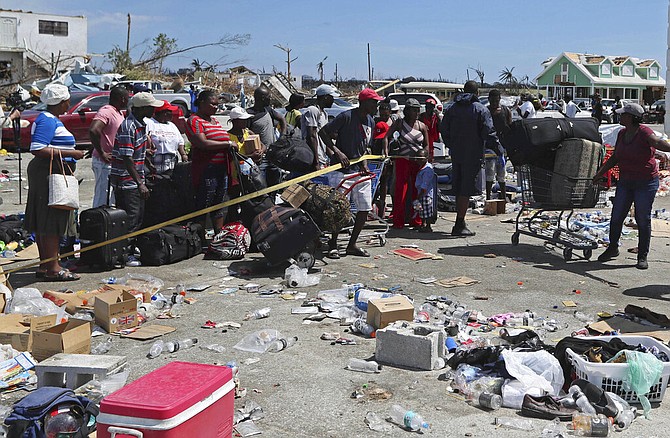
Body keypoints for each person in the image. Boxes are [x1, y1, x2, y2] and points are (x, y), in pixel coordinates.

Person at [592, 103, 670, 269]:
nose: (620, 116)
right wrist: (599, 173)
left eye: (623, 114)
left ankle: (642, 256)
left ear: (632, 118)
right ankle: (612, 248)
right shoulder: (622, 133)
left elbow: (657, 142)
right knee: (617, 216)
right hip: (626, 181)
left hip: (645, 182)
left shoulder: (644, 132)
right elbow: (615, 158)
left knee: (642, 218)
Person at [24, 84, 85, 281]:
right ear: (60, 102)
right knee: (51, 219)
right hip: (48, 174)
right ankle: (53, 267)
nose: (69, 103)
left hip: (49, 171)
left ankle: (46, 264)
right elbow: (37, 148)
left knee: (45, 219)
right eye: (67, 100)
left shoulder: (51, 119)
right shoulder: (48, 121)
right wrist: (72, 153)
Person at [319, 88, 383, 258]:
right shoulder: (346, 116)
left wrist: (364, 164)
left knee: (364, 208)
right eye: (374, 102)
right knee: (338, 210)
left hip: (359, 173)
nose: (376, 105)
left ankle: (352, 244)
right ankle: (333, 243)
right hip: (341, 172)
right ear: (364, 102)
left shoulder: (370, 120)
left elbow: (364, 147)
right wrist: (337, 152)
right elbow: (323, 132)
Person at [440, 80, 502, 236]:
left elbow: (443, 129)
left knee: (459, 187)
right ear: (477, 93)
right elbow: (489, 132)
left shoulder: (452, 109)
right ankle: (459, 224)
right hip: (473, 155)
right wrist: (499, 150)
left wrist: (452, 145)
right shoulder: (480, 109)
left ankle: (460, 222)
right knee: (466, 190)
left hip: (457, 154)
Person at [111, 92, 163, 267]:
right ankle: (125, 254)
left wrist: (148, 163)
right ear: (142, 108)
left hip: (137, 178)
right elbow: (127, 158)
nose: (154, 109)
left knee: (139, 217)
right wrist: (140, 184)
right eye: (151, 107)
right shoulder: (128, 126)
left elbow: (136, 151)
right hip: (127, 182)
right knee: (131, 219)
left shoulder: (141, 125)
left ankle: (132, 249)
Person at [186, 90, 238, 232]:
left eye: (217, 105)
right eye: (212, 104)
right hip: (206, 169)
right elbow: (202, 143)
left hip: (221, 168)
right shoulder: (194, 121)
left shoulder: (214, 121)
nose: (216, 107)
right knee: (204, 204)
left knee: (219, 204)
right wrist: (227, 144)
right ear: (202, 103)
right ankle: (200, 239)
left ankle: (218, 236)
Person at [384, 98, 429, 229]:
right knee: (400, 191)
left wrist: (424, 155)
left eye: (417, 110)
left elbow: (426, 145)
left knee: (417, 192)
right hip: (402, 160)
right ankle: (398, 220)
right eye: (413, 110)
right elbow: (387, 137)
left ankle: (416, 219)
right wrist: (386, 152)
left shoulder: (421, 126)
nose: (416, 113)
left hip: (417, 162)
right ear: (407, 111)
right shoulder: (399, 123)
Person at [89, 86, 128, 207]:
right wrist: (102, 152)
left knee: (111, 198)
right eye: (127, 98)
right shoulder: (106, 111)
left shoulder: (118, 112)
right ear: (121, 99)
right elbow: (94, 130)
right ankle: (98, 223)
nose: (128, 101)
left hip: (114, 161)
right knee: (103, 196)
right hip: (104, 162)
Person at [248, 85, 286, 188]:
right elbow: (246, 133)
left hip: (273, 156)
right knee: (260, 186)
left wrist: (282, 136)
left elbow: (282, 119)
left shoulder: (268, 110)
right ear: (263, 98)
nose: (271, 99)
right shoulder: (249, 114)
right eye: (269, 97)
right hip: (260, 158)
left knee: (274, 185)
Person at [144, 100, 188, 174]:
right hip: (154, 164)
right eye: (170, 112)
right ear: (163, 113)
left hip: (171, 163)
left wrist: (183, 154)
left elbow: (180, 142)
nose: (172, 114)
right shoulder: (149, 123)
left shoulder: (171, 125)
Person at [302, 84, 338, 170]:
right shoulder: (312, 110)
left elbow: (325, 138)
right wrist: (316, 161)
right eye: (331, 97)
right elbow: (311, 136)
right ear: (325, 97)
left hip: (322, 158)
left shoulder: (324, 114)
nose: (333, 100)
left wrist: (332, 157)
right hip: (312, 159)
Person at [485, 89, 511, 200]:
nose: (495, 103)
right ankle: (488, 197)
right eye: (493, 101)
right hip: (490, 147)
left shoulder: (506, 111)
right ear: (489, 100)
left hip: (503, 146)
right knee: (489, 173)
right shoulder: (485, 111)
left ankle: (504, 197)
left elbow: (509, 128)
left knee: (502, 174)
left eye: (497, 101)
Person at [414, 148, 435, 233]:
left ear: (426, 158)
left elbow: (425, 184)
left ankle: (428, 226)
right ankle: (423, 224)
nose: (419, 160)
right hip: (421, 192)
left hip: (425, 194)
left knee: (427, 210)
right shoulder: (422, 168)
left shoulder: (427, 170)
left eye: (421, 158)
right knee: (421, 210)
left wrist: (419, 195)